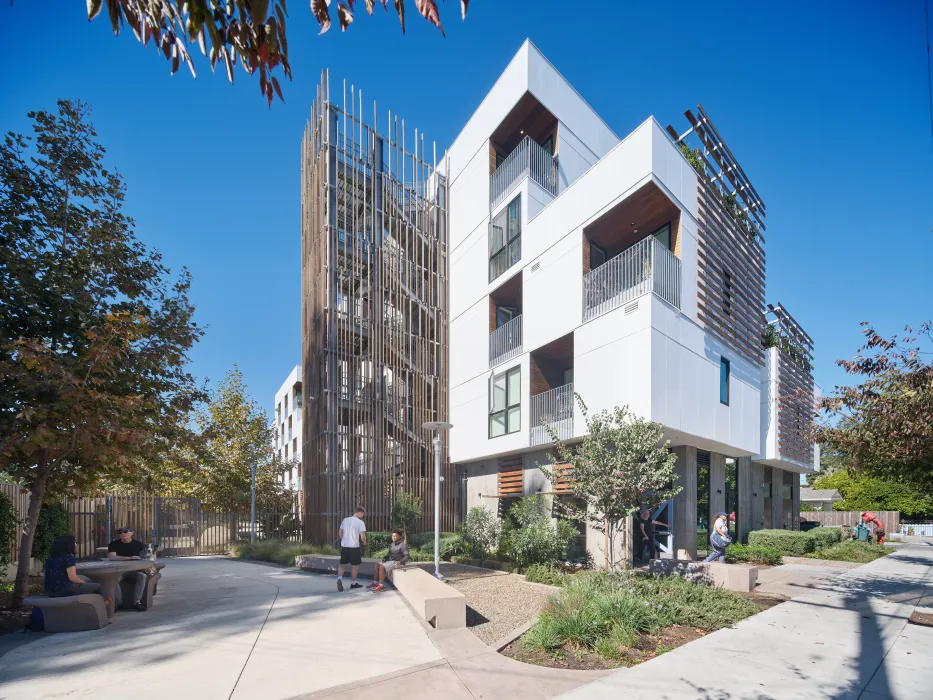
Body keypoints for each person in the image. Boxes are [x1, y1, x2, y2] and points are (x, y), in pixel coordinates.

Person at [44, 535, 111, 606]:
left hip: (51, 591)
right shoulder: (68, 558)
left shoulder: (50, 559)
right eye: (75, 542)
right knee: (98, 586)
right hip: (65, 589)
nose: (76, 544)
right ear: (68, 545)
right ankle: (104, 604)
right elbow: (73, 578)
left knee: (89, 583)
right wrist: (81, 582)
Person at [107, 526, 149, 611]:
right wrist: (129, 558)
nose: (122, 534)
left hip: (133, 571)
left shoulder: (138, 544)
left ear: (132, 533)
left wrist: (148, 566)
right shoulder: (113, 544)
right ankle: (118, 603)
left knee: (142, 576)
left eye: (125, 531)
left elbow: (148, 556)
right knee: (113, 580)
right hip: (119, 571)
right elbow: (112, 557)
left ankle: (137, 602)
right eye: (120, 532)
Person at [337, 506, 367, 592]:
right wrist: (364, 543)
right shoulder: (360, 522)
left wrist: (343, 540)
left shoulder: (345, 520)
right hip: (354, 546)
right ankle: (353, 583)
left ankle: (339, 579)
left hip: (344, 546)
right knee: (355, 566)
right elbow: (362, 536)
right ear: (360, 513)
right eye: (363, 514)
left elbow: (340, 532)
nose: (363, 516)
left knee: (342, 564)